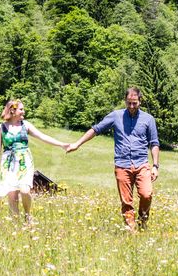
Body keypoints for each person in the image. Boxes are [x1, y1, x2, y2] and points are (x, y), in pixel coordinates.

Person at [66, 87, 159, 231]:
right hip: (122, 164)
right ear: (125, 101)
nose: (132, 106)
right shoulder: (116, 116)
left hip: (142, 164)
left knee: (146, 194)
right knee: (126, 201)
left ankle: (143, 221)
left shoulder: (148, 119)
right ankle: (131, 229)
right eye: (129, 103)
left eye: (134, 103)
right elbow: (96, 129)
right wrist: (77, 144)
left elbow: (154, 143)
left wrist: (155, 166)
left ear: (140, 101)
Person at [0, 99, 68, 223]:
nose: (24, 111)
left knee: (25, 190)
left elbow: (43, 136)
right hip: (8, 163)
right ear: (12, 111)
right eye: (21, 109)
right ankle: (15, 224)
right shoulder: (1, 128)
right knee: (12, 194)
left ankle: (28, 215)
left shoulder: (26, 125)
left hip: (24, 161)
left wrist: (61, 144)